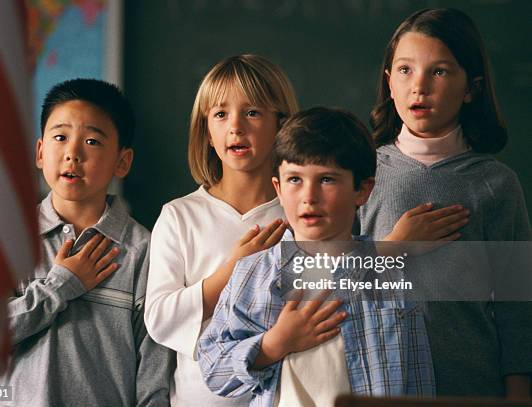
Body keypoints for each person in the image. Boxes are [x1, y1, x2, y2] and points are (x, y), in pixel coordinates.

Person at [197, 107, 435, 407]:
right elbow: (213, 368)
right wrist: (272, 345)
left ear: (362, 190)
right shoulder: (254, 272)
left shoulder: (392, 274)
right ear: (278, 189)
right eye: (295, 180)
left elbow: (418, 376)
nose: (309, 196)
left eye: (327, 180)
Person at [360, 8, 532, 398]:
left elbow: (517, 304)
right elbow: (325, 276)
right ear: (388, 82)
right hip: (378, 386)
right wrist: (394, 248)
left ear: (471, 88)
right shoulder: (358, 172)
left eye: (438, 71)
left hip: (473, 386)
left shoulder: (496, 184)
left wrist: (520, 392)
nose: (418, 86)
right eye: (404, 70)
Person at [0, 78, 173, 406]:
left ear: (123, 161)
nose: (72, 154)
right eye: (60, 137)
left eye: (92, 142)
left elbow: (154, 369)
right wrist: (60, 286)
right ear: (39, 151)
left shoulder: (144, 249)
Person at [144, 54, 296, 406]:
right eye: (221, 114)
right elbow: (160, 316)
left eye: (253, 112)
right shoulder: (180, 216)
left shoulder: (302, 212)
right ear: (207, 133)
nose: (236, 127)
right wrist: (232, 270)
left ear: (281, 124)